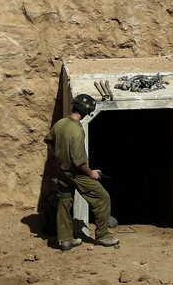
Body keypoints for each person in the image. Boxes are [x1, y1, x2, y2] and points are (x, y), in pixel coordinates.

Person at [45, 92, 119, 250]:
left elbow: (48, 140)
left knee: (64, 202)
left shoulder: (60, 123)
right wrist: (91, 172)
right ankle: (102, 235)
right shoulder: (77, 131)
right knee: (102, 198)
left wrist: (59, 157)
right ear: (86, 112)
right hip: (76, 173)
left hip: (61, 171)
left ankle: (65, 240)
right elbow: (78, 161)